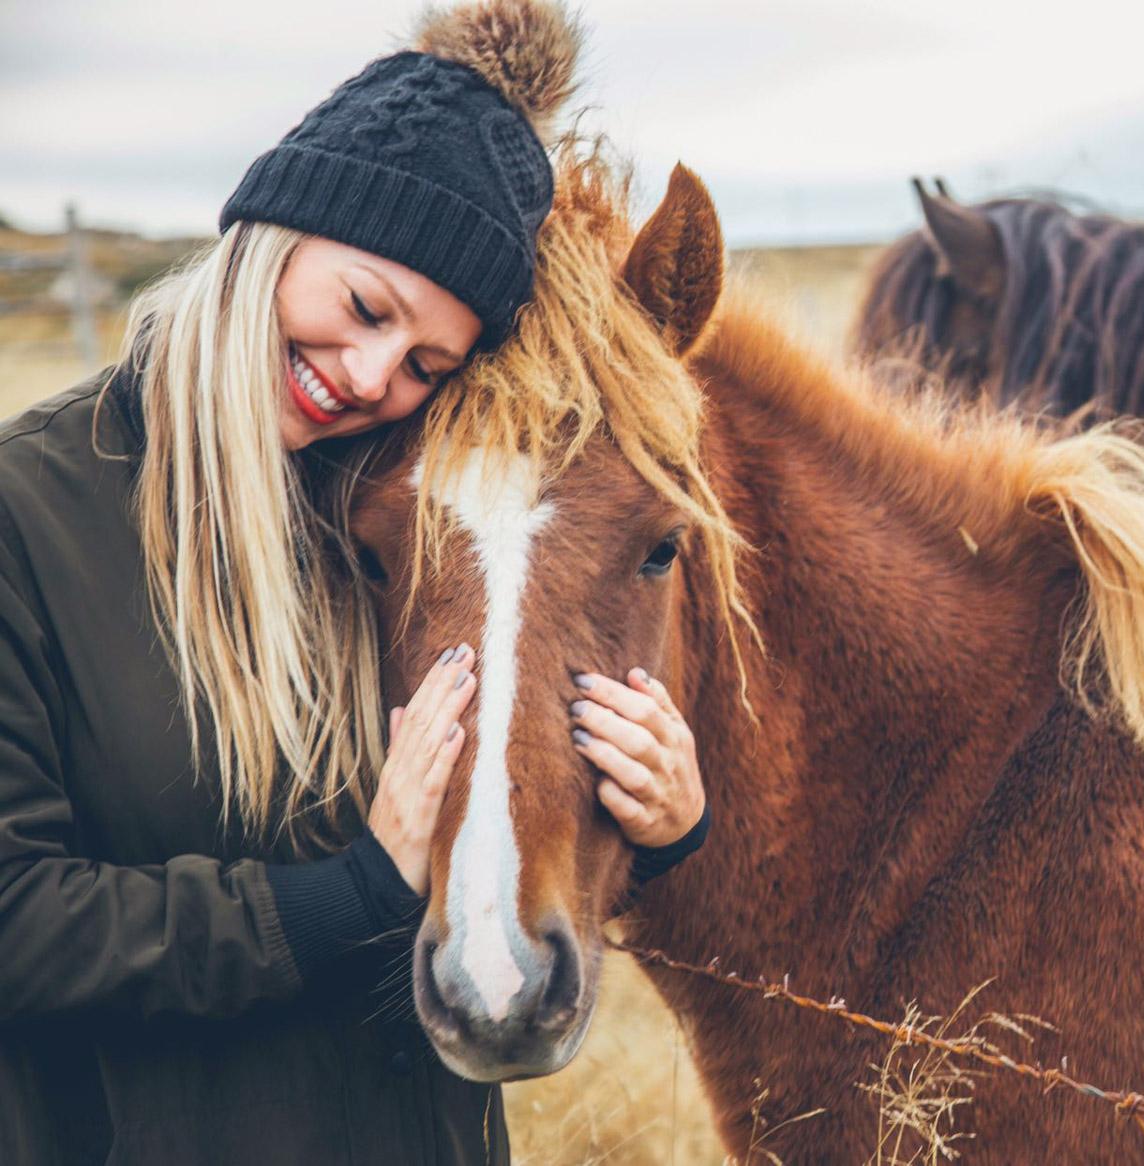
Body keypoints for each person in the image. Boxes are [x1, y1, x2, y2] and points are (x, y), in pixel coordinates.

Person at [0, 2, 708, 1163]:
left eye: (427, 361)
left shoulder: (383, 507)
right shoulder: (30, 512)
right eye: (365, 307)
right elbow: (16, 922)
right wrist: (345, 898)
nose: (373, 374)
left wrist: (663, 826)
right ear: (276, 233)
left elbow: (486, 814)